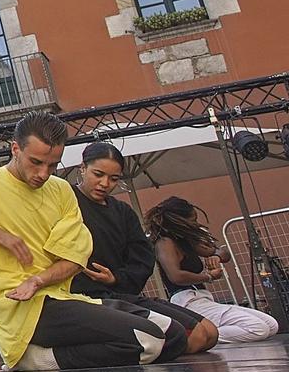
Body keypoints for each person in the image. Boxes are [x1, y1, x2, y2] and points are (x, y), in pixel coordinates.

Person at [0, 112, 192, 371]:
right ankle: (39, 359)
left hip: (62, 297)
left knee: (175, 335)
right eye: (36, 162)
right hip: (21, 307)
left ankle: (53, 359)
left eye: (53, 165)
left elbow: (74, 259)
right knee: (150, 339)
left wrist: (37, 280)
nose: (43, 173)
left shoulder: (61, 189)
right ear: (15, 149)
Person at [68, 143, 218, 356]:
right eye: (98, 174)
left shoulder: (122, 211)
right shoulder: (66, 201)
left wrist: (115, 279)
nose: (104, 184)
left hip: (121, 294)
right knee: (196, 336)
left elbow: (143, 259)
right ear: (82, 168)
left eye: (113, 179)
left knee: (210, 333)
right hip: (87, 298)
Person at [146, 197, 281, 343]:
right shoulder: (165, 243)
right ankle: (195, 339)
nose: (196, 224)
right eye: (193, 220)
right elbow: (176, 276)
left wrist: (216, 256)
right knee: (258, 328)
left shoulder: (186, 240)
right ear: (180, 220)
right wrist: (208, 276)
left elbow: (223, 253)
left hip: (202, 298)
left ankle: (205, 336)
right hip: (187, 301)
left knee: (271, 325)